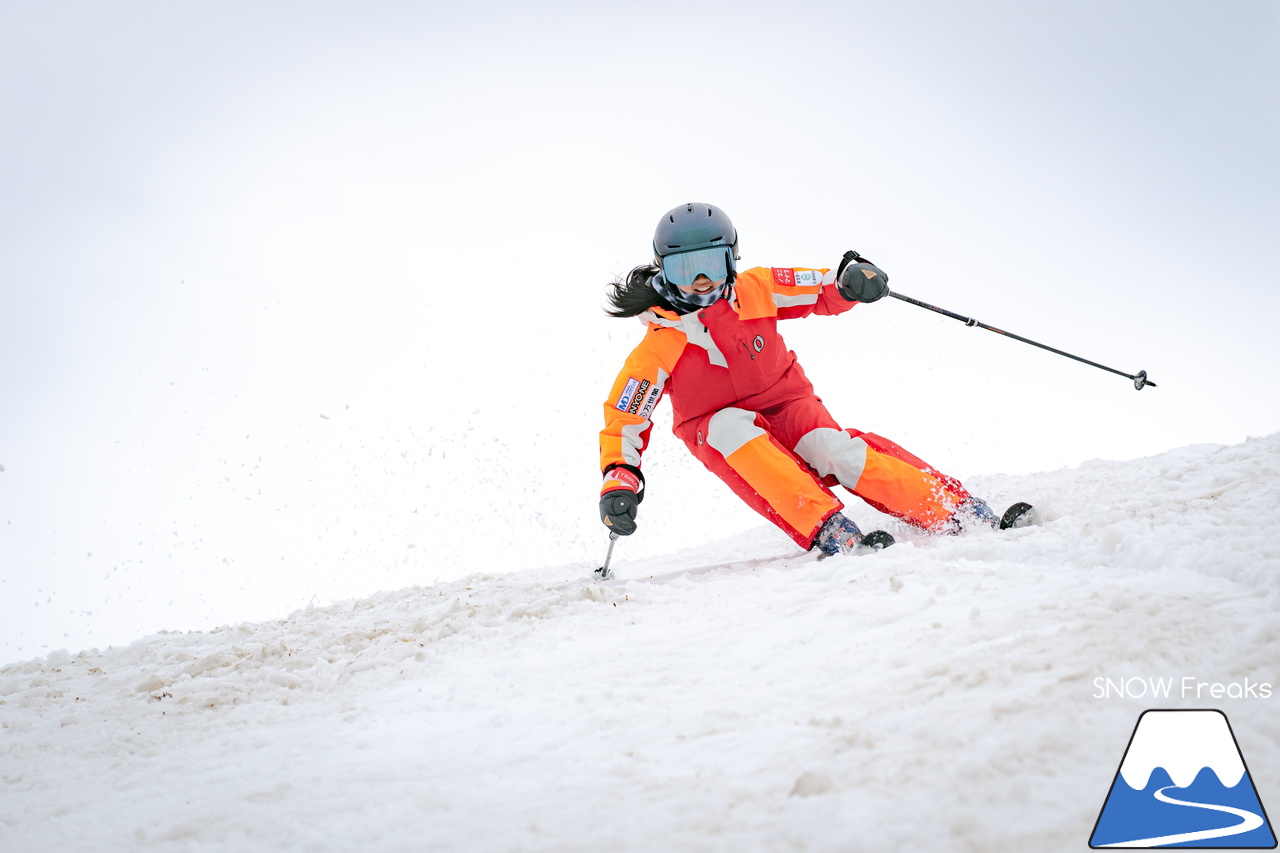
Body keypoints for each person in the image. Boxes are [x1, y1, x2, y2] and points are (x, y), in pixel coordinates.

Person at [598, 202, 1024, 558]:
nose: (700, 281)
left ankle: (957, 512)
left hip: (787, 403)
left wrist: (851, 283)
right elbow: (624, 420)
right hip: (715, 425)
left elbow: (818, 288)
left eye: (710, 264)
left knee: (835, 450)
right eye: (683, 269)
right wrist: (620, 478)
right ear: (664, 271)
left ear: (732, 258)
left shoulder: (757, 287)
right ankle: (832, 531)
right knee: (732, 432)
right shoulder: (658, 345)